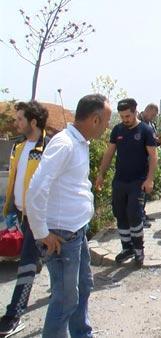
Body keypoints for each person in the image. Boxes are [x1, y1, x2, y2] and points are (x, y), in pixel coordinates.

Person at [26, 94, 111, 337]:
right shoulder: (65, 144)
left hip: (76, 231)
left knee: (83, 286)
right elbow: (36, 189)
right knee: (64, 299)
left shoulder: (79, 143)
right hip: (61, 236)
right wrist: (42, 232)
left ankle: (82, 333)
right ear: (95, 120)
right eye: (105, 121)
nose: (106, 127)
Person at [0, 101, 49, 337]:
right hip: (20, 213)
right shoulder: (18, 147)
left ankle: (13, 315)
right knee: (51, 257)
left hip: (39, 216)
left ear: (33, 121)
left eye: (20, 119)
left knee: (27, 262)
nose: (16, 122)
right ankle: (72, 288)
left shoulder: (48, 147)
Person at [96, 98, 158, 266]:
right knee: (120, 214)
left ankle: (139, 250)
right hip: (120, 181)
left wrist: (150, 179)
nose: (125, 119)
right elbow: (109, 153)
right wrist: (101, 174)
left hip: (137, 182)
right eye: (122, 116)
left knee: (134, 214)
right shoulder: (117, 130)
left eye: (128, 116)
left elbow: (153, 156)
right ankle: (127, 248)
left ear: (135, 111)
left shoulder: (145, 130)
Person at [139, 103, 161, 227]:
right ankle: (139, 217)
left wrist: (157, 141)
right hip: (140, 160)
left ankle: (143, 212)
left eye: (154, 116)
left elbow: (151, 140)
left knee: (146, 189)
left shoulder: (152, 124)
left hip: (149, 160)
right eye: (152, 114)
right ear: (147, 110)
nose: (153, 117)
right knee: (140, 190)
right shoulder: (137, 121)